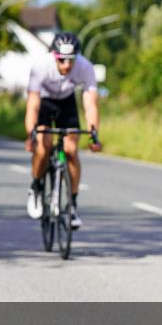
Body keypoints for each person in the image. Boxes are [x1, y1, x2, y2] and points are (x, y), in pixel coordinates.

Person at [24, 32, 102, 229]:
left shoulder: (85, 67)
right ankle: (36, 186)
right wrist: (31, 134)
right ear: (54, 55)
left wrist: (94, 134)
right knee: (43, 147)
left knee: (71, 151)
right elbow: (32, 104)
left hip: (67, 102)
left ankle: (72, 205)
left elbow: (90, 103)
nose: (67, 65)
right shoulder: (41, 66)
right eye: (62, 59)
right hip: (45, 101)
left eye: (71, 60)